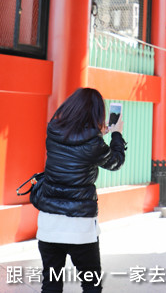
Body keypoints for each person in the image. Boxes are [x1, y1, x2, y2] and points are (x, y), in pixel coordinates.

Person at [33, 87, 127, 292]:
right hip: (80, 227)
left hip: (49, 222)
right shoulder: (94, 143)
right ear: (96, 113)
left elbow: (74, 143)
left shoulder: (53, 130)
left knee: (51, 284)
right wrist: (117, 134)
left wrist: (97, 135)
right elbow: (115, 162)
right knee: (91, 285)